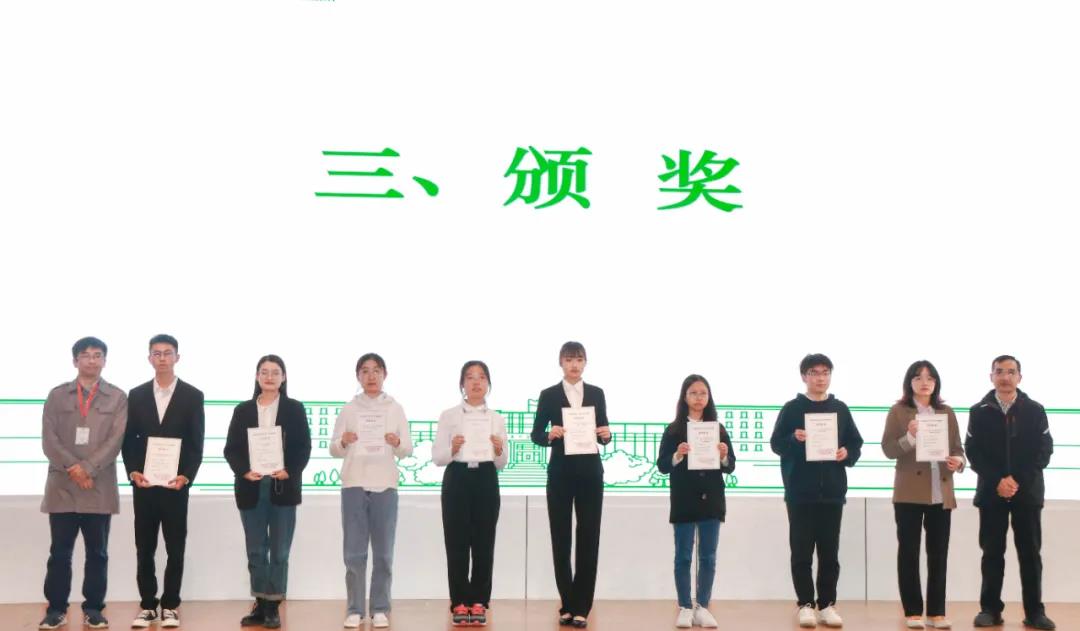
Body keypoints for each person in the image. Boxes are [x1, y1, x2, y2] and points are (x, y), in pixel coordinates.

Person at [39, 337, 128, 630]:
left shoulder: (117, 397)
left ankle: (93, 609)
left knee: (97, 553)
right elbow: (49, 439)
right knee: (59, 553)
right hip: (63, 486)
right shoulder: (57, 396)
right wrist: (74, 469)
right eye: (86, 355)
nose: (92, 360)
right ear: (75, 361)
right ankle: (56, 609)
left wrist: (87, 468)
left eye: (97, 355)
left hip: (98, 486)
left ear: (105, 361)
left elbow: (116, 440)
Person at [769, 353, 863, 628]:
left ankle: (827, 604)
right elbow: (776, 444)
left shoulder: (840, 409)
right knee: (801, 552)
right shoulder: (792, 408)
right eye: (814, 372)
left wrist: (847, 453)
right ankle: (805, 604)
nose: (820, 378)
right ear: (804, 376)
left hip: (832, 492)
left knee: (829, 553)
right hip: (800, 493)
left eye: (825, 372)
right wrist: (793, 438)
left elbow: (855, 443)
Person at [122, 334, 206, 629]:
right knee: (144, 547)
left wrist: (186, 475)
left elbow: (196, 442)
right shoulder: (136, 395)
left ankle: (170, 605)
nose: (162, 358)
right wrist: (133, 471)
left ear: (177, 358)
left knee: (175, 548)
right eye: (156, 353)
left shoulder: (193, 395)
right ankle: (148, 605)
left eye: (167, 353)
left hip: (175, 486)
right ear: (149, 358)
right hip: (144, 485)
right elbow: (129, 440)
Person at [965, 355, 1055, 630]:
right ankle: (990, 610)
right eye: (999, 372)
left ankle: (1035, 612)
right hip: (991, 494)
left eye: (1011, 372)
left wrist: (1015, 480)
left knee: (1030, 554)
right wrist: (998, 481)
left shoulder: (1035, 410)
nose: (1005, 377)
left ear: (1019, 377)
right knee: (992, 553)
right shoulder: (978, 411)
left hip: (1027, 493)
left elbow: (1044, 451)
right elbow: (973, 453)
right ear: (991, 376)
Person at [223, 355, 311, 629]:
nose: (270, 377)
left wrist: (289, 470)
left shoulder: (294, 408)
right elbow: (231, 449)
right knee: (256, 549)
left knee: (280, 550)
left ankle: (273, 605)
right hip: (251, 487)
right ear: (257, 376)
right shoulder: (243, 410)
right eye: (264, 372)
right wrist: (244, 471)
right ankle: (260, 603)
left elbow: (303, 447)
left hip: (282, 486)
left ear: (283, 377)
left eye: (275, 372)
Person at [530, 341, 612, 629]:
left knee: (589, 537)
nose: (574, 365)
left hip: (590, 473)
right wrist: (549, 435)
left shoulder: (597, 393)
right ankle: (567, 603)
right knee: (561, 538)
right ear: (560, 363)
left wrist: (606, 435)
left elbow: (603, 430)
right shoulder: (549, 395)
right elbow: (536, 434)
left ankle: (582, 608)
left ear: (585, 362)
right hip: (560, 473)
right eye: (568, 359)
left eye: (578, 359)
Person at [329, 353, 413, 629]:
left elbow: (407, 449)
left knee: (384, 553)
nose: (371, 376)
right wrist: (344, 441)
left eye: (376, 370)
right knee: (354, 553)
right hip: (354, 484)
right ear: (358, 376)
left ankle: (380, 608)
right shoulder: (349, 409)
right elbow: (333, 448)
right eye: (365, 371)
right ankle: (355, 609)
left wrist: (396, 441)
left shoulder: (395, 408)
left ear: (384, 374)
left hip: (385, 485)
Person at [881, 360, 964, 629]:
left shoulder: (946, 412)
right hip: (909, 493)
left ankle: (937, 612)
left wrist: (958, 461)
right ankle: (913, 611)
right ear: (910, 383)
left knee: (939, 554)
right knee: (909, 553)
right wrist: (909, 437)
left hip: (941, 491)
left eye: (930, 378)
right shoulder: (899, 411)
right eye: (918, 378)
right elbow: (888, 449)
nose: (924, 382)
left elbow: (958, 448)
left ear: (936, 382)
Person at [432, 360, 509, 627]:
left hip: (486, 478)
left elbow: (502, 463)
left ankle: (479, 602)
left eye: (481, 377)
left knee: (484, 542)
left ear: (488, 383)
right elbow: (437, 457)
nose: (476, 382)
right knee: (457, 542)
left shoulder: (496, 418)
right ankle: (459, 602)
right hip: (458, 478)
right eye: (470, 377)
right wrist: (452, 448)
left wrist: (498, 449)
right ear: (462, 384)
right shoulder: (449, 416)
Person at [656, 375, 735, 629]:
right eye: (693, 393)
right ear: (684, 397)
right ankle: (685, 607)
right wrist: (678, 454)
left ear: (709, 397)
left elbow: (730, 466)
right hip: (684, 500)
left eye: (703, 393)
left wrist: (723, 456)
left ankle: (702, 606)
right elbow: (662, 466)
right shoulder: (673, 430)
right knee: (683, 556)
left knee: (708, 557)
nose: (699, 398)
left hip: (712, 500)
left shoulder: (718, 429)